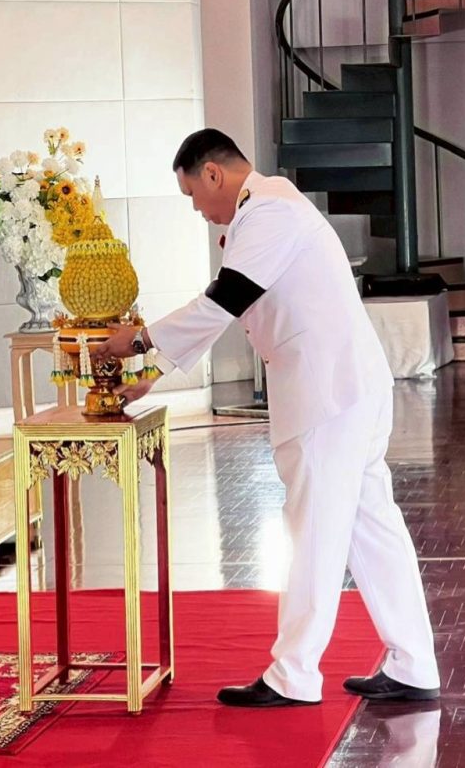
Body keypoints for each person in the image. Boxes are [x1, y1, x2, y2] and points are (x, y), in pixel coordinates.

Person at [92, 128, 440, 707]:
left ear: (213, 173)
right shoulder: (269, 207)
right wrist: (155, 370)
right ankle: (414, 664)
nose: (198, 210)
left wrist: (141, 340)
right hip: (347, 386)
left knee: (315, 531)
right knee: (371, 526)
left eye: (193, 195)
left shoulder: (270, 211)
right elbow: (237, 301)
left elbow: (226, 298)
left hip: (327, 394)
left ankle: (294, 674)